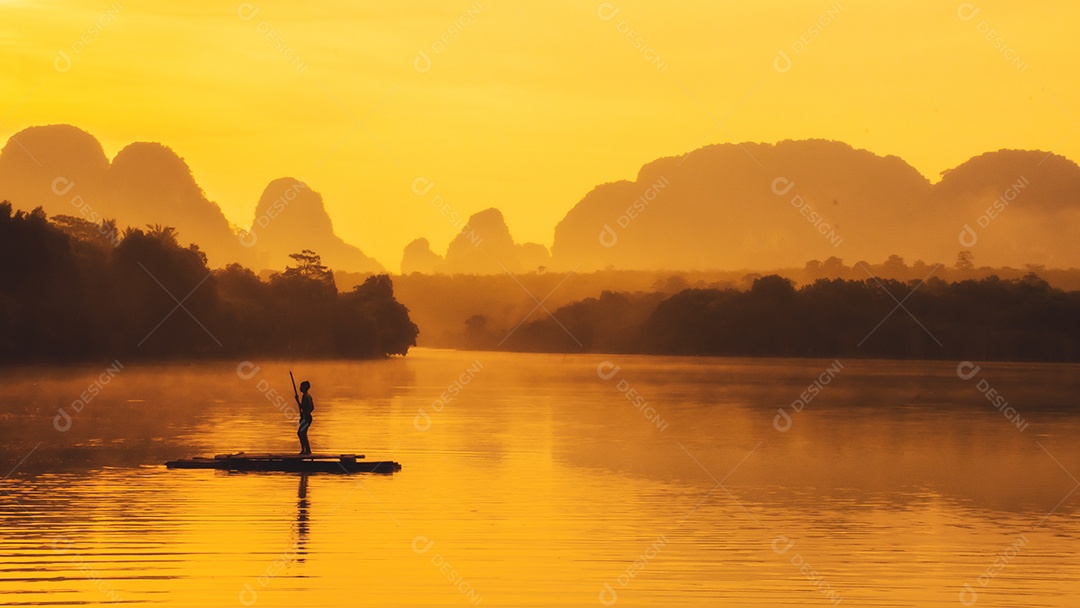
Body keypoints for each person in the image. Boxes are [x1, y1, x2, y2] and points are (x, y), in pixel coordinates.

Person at [296, 380, 314, 455]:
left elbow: (303, 407)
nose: (300, 388)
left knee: (301, 433)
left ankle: (305, 450)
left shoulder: (305, 396)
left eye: (301, 386)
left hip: (306, 417)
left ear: (305, 388)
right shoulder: (309, 396)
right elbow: (312, 408)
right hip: (308, 417)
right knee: (302, 433)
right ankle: (306, 450)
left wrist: (297, 401)